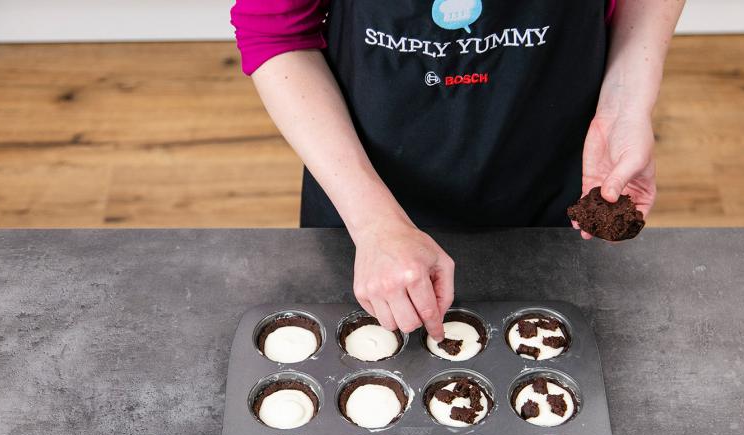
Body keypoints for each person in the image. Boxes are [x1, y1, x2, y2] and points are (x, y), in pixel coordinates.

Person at [230, 0, 685, 340]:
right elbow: (276, 32)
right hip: (365, 193)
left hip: (554, 174)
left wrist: (627, 103)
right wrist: (373, 223)